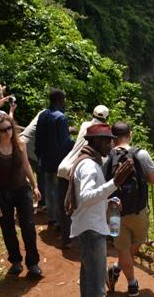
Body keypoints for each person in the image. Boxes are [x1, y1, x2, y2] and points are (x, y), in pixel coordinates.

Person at [66, 123, 133, 297]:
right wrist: (114, 183)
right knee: (97, 287)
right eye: (107, 141)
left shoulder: (89, 161)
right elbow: (87, 197)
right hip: (91, 231)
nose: (111, 145)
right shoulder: (89, 165)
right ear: (95, 141)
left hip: (86, 227)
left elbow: (86, 197)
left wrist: (108, 200)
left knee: (89, 278)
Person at [0, 112, 43, 278]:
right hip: (2, 193)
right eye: (3, 130)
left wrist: (35, 185)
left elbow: (26, 165)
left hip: (22, 190)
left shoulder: (20, 144)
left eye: (9, 128)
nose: (7, 132)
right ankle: (16, 260)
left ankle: (33, 263)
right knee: (8, 229)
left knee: (28, 227)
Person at [104, 121, 154, 296]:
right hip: (138, 209)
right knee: (138, 240)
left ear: (112, 138)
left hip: (113, 211)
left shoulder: (105, 156)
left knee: (122, 247)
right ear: (131, 134)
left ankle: (118, 270)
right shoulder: (141, 154)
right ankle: (132, 284)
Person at [57, 104, 110, 246]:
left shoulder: (85, 124)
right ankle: (79, 237)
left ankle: (66, 239)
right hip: (77, 170)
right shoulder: (101, 133)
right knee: (79, 205)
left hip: (64, 167)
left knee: (66, 205)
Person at [35, 88, 74, 230]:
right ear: (59, 100)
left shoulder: (42, 115)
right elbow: (65, 142)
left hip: (45, 159)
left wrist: (39, 155)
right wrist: (76, 145)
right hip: (58, 160)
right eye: (64, 99)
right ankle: (59, 220)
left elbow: (38, 138)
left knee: (48, 188)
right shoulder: (61, 117)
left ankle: (51, 218)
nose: (65, 102)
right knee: (58, 191)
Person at [20, 110, 46, 212]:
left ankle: (26, 205)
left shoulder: (42, 113)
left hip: (22, 141)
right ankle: (41, 204)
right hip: (30, 147)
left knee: (24, 178)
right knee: (41, 174)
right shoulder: (50, 116)